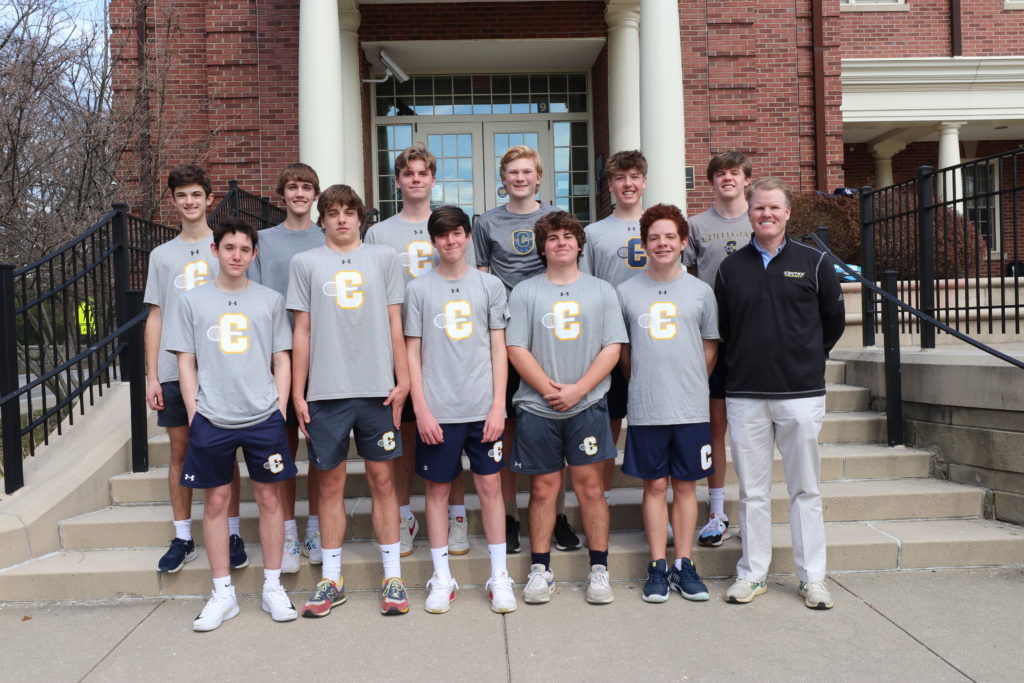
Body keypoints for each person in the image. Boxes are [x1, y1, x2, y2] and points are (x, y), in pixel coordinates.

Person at [715, 177, 845, 609]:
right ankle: (752, 575)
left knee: (805, 489)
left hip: (800, 394)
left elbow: (832, 321)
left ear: (788, 213)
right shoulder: (730, 268)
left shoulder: (814, 262)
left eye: (774, 208)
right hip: (746, 394)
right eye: (758, 208)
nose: (766, 214)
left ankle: (813, 579)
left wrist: (807, 357)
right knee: (752, 492)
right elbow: (724, 328)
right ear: (748, 213)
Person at [166, 217, 298, 631]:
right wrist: (194, 412)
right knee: (217, 503)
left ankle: (273, 586)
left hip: (263, 415)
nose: (236, 255)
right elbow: (185, 361)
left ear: (254, 254)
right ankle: (223, 593)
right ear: (215, 250)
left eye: (244, 249)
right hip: (213, 416)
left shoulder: (270, 300)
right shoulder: (192, 301)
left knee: (270, 499)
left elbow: (282, 357)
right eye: (229, 248)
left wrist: (279, 407)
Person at [288, 184, 412, 617]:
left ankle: (393, 576)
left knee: (383, 481)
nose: (341, 219)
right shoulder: (305, 263)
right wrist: (298, 391)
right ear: (322, 219)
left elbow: (395, 323)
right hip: (327, 392)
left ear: (361, 217)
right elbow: (301, 331)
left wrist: (403, 380)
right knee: (329, 485)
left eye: (348, 211)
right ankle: (332, 578)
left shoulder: (384, 258)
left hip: (378, 389)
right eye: (333, 212)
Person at [506, 211, 627, 605]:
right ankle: (540, 570)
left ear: (579, 244)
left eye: (568, 236)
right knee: (543, 490)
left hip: (587, 405)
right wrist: (548, 390)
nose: (561, 242)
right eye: (553, 237)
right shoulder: (525, 291)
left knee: (591, 488)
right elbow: (516, 347)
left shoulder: (602, 291)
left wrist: (579, 390)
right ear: (542, 247)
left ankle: (599, 569)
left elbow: (612, 347)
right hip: (538, 407)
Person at [365, 143, 476, 557]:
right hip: (396, 346)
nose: (415, 179)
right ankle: (403, 516)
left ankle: (456, 517)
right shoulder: (378, 233)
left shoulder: (450, 226)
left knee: (448, 434)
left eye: (422, 173)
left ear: (433, 179)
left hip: (448, 346)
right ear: (397, 181)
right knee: (402, 435)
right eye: (408, 173)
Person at [404, 206, 516, 614]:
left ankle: (499, 576)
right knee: (436, 491)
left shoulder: (490, 285)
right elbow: (412, 354)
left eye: (457, 233)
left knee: (490, 488)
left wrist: (498, 405)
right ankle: (442, 577)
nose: (450, 241)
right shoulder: (419, 289)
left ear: (468, 236)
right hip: (439, 409)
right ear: (433, 241)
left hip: (482, 407)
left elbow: (499, 348)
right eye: (442, 234)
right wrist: (421, 409)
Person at [474, 145, 580, 555]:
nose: (519, 178)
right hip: (505, 334)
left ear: (538, 177)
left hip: (549, 333)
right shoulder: (487, 222)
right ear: (503, 179)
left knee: (554, 422)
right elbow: (483, 278)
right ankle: (510, 516)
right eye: (512, 172)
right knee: (505, 429)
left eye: (526, 172)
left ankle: (557, 514)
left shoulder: (556, 218)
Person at [144, 165, 247, 574]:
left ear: (209, 198)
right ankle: (184, 537)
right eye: (182, 195)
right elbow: (155, 316)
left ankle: (233, 533)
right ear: (173, 201)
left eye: (196, 194)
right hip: (174, 369)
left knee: (224, 450)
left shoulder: (226, 246)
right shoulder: (161, 255)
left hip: (222, 366)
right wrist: (152, 375)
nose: (189, 201)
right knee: (181, 450)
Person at [618, 204, 718, 603]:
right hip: (647, 405)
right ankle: (657, 565)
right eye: (654, 237)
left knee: (686, 485)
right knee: (655, 485)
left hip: (690, 406)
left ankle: (684, 563)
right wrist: (644, 382)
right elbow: (624, 352)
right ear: (644, 244)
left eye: (669, 237)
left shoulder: (701, 291)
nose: (662, 243)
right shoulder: (626, 292)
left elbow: (709, 346)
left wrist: (690, 382)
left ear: (683, 242)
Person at [249, 162, 324, 573]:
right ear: (282, 194)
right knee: (283, 445)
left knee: (321, 446)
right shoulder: (264, 240)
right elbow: (255, 299)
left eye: (306, 187)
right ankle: (289, 530)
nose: (299, 193)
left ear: (315, 195)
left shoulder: (327, 236)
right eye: (293, 186)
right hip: (277, 354)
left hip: (321, 355)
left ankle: (316, 526)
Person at [683, 150, 754, 547]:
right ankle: (716, 512)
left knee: (751, 430)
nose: (727, 178)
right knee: (715, 427)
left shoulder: (758, 218)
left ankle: (752, 510)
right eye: (720, 173)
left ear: (746, 179)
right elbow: (692, 279)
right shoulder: (696, 225)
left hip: (752, 339)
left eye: (734, 172)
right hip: (710, 339)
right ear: (711, 181)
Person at [583, 150, 648, 500]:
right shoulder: (593, 233)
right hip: (608, 341)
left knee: (650, 421)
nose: (628, 184)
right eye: (620, 178)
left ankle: (654, 497)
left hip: (652, 338)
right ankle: (602, 499)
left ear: (644, 182)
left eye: (634, 177)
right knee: (608, 421)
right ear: (610, 185)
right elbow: (587, 287)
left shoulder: (660, 227)